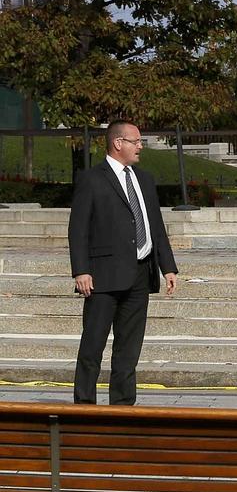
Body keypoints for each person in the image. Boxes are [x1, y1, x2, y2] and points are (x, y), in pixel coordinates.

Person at [69, 120, 179, 405]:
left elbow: (155, 223)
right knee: (93, 345)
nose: (141, 146)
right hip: (103, 276)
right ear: (118, 143)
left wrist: (167, 266)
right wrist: (81, 270)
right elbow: (78, 228)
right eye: (136, 141)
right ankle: (84, 405)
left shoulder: (144, 179)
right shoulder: (92, 179)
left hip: (140, 274)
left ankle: (122, 406)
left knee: (128, 348)